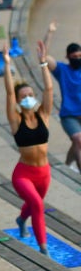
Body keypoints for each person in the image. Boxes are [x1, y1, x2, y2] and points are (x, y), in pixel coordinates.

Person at [2, 40, 53, 255]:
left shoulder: (43, 115)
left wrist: (43, 64)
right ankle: (43, 248)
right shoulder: (16, 120)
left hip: (44, 173)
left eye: (31, 95)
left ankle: (21, 220)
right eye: (24, 96)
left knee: (35, 204)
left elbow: (49, 89)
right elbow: (9, 94)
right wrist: (7, 64)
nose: (28, 98)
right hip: (23, 174)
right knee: (38, 206)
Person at [41, 23, 81, 172]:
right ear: (68, 57)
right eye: (74, 57)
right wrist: (50, 33)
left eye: (79, 56)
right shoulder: (62, 70)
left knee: (77, 143)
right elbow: (44, 56)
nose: (77, 58)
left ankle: (67, 165)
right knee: (78, 139)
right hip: (69, 115)